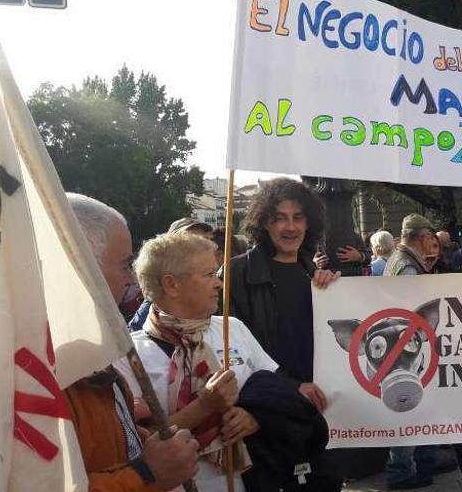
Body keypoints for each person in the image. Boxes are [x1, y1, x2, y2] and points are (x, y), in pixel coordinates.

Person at [117, 232, 279, 491]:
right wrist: (204, 406)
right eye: (209, 274)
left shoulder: (233, 328)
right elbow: (139, 442)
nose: (219, 284)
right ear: (171, 284)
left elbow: (273, 390)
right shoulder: (127, 353)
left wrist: (254, 416)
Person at [65, 193, 199, 492]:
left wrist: (132, 440)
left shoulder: (91, 350)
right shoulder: (30, 368)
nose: (132, 280)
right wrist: (146, 475)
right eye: (125, 265)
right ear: (80, 264)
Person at [226, 178, 343, 489]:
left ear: (309, 223)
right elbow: (233, 353)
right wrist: (292, 388)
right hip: (266, 423)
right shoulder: (237, 274)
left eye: (297, 217)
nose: (289, 227)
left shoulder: (316, 275)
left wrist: (336, 294)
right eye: (279, 218)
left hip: (316, 419)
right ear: (263, 223)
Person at [383, 214, 456, 489]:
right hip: (408, 352)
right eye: (431, 238)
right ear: (424, 237)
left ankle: (422, 461)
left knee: (417, 408)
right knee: (411, 409)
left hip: (404, 349)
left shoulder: (399, 259)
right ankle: (401, 470)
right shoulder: (408, 268)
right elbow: (410, 312)